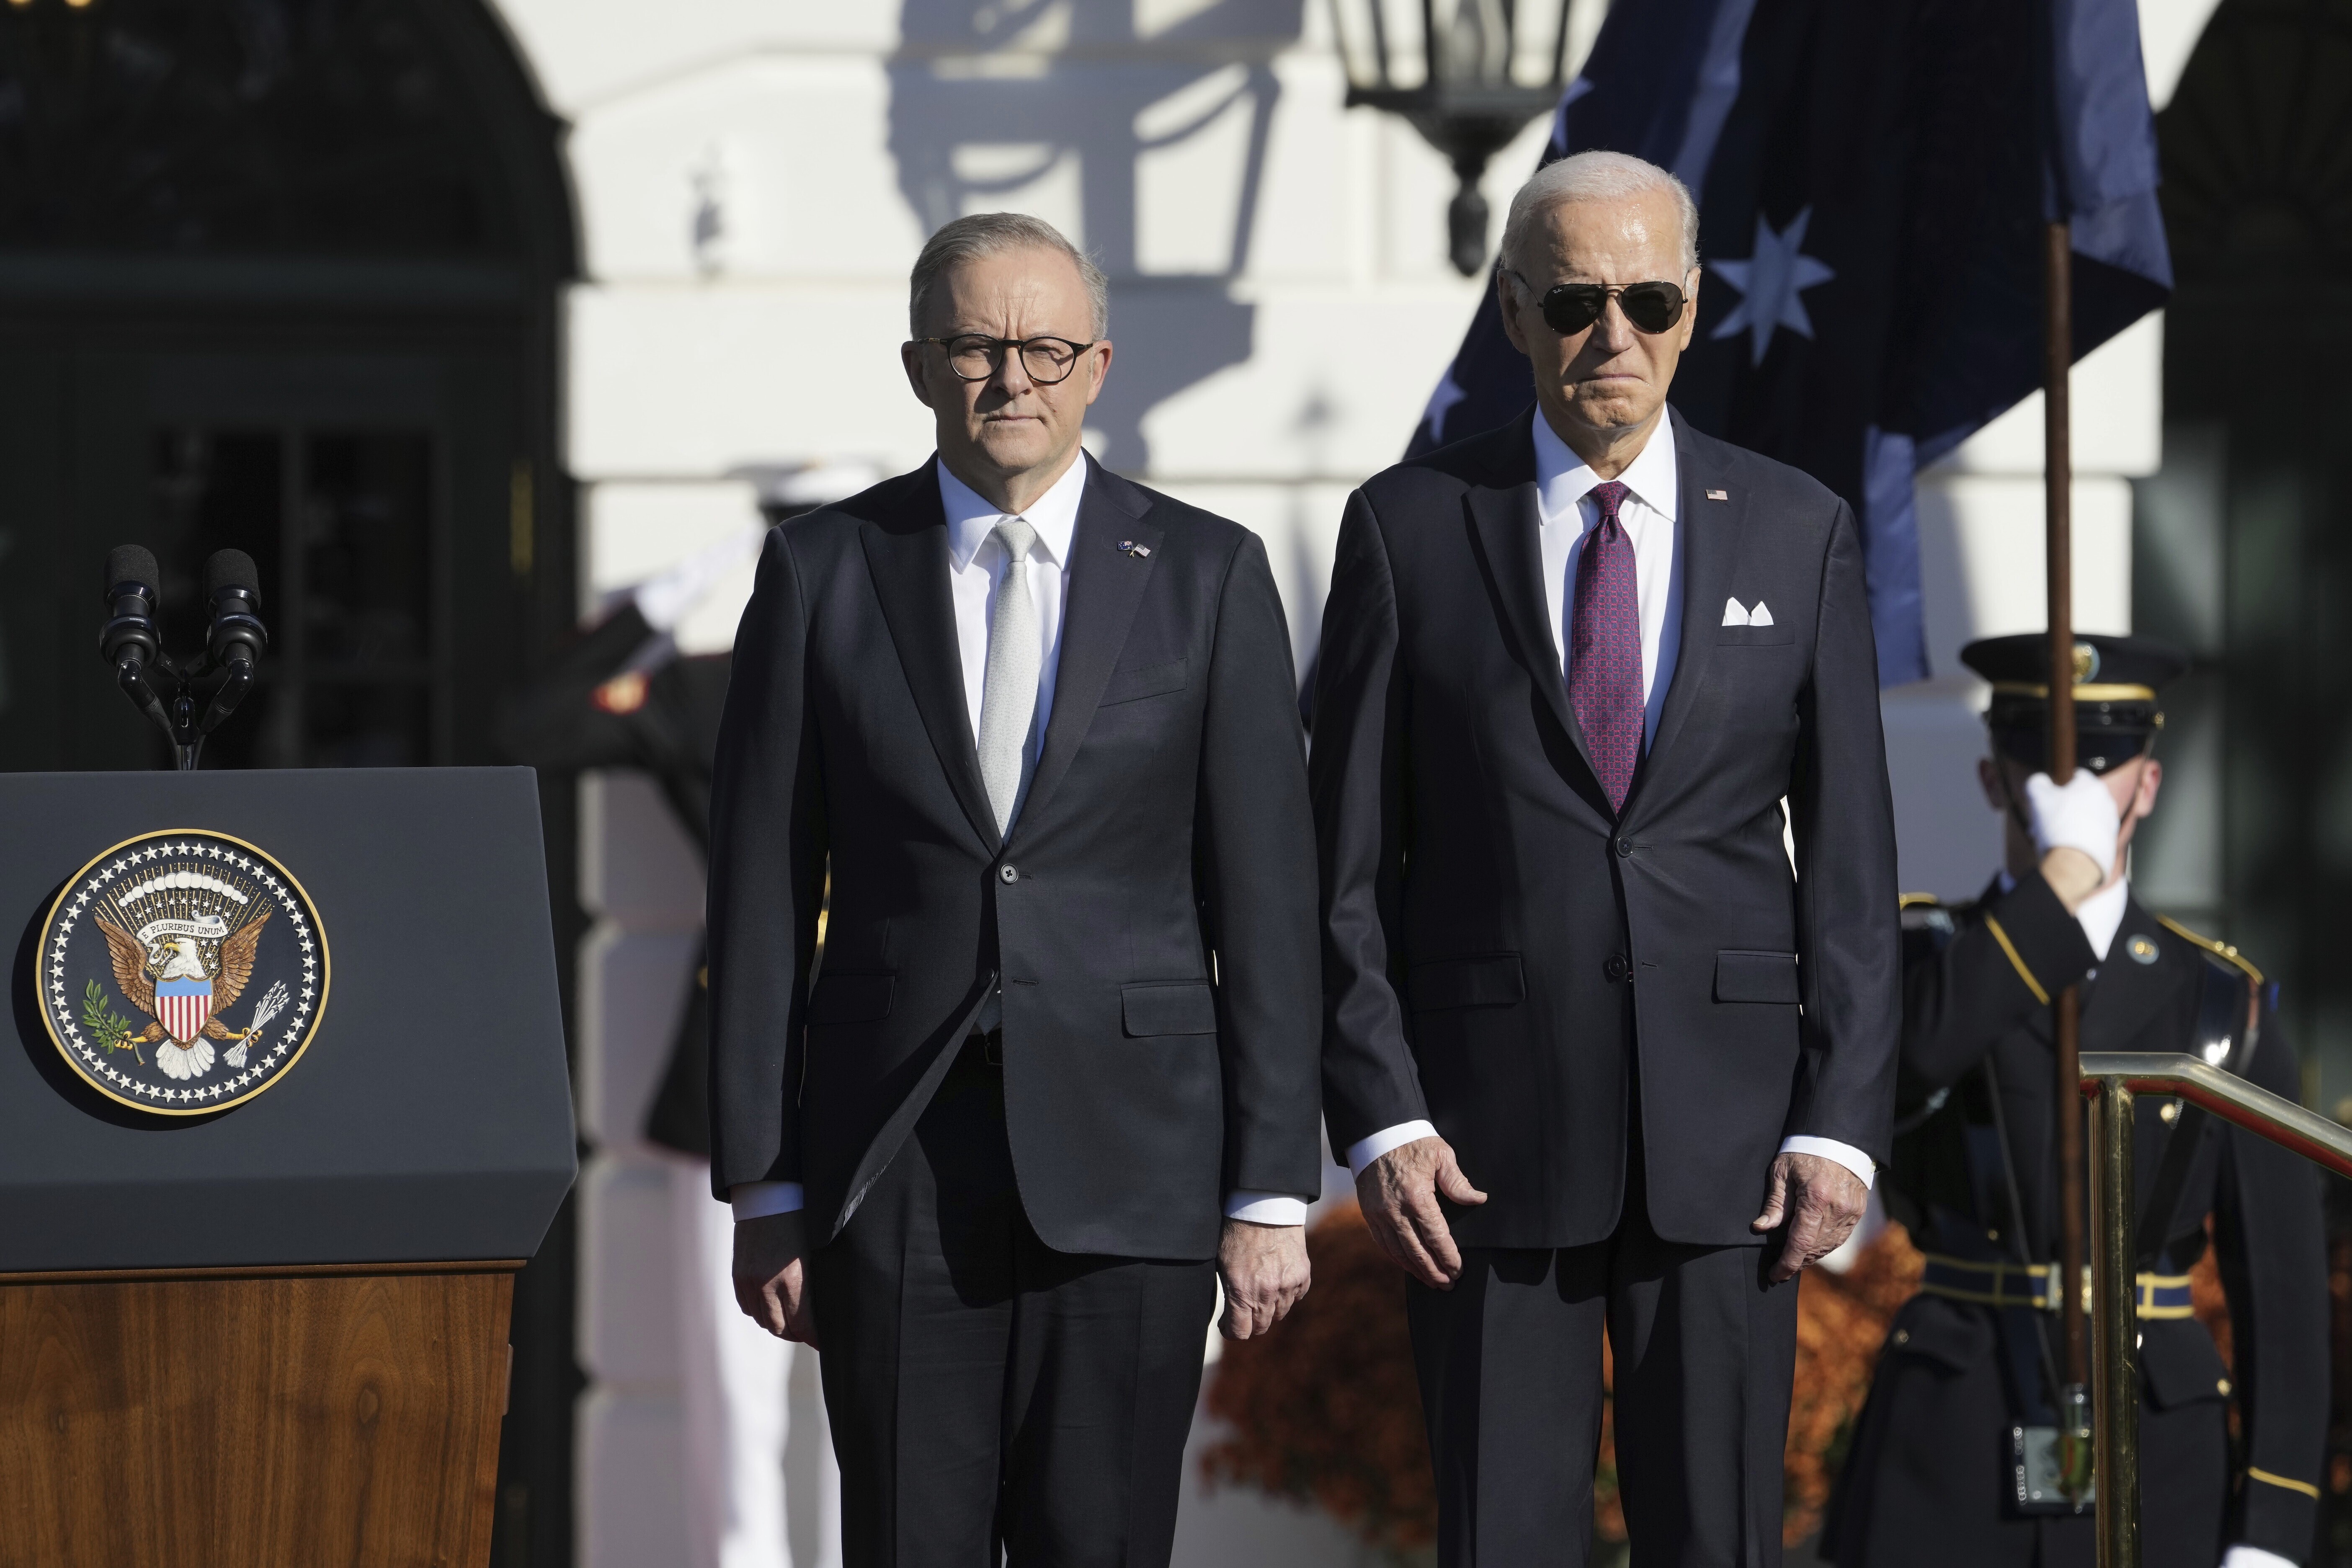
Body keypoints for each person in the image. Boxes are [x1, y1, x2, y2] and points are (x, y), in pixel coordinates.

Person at [1312, 148, 1901, 1566]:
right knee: (1499, 1536)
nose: (1611, 337)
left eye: (1645, 298)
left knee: (1718, 1537)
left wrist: (1836, 1119)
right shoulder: (1406, 528)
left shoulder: (1795, 525)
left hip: (1733, 1152)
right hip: (1480, 1152)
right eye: (1574, 302)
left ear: (1692, 306)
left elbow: (1848, 863)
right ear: (1512, 311)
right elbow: (1333, 867)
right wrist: (1384, 1115)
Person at [710, 211, 1323, 1568]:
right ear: (921, 365)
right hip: (894, 1155)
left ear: (1097, 364)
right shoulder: (819, 572)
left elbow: (1266, 901)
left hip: (1138, 1159)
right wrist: (763, 1179)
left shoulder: (1210, 575)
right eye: (977, 347)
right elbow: (759, 889)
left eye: (1043, 347)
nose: (1012, 379)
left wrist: (1271, 1187)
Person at [1822, 632, 2328, 1568]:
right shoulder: (1925, 963)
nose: (2083, 795)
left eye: (2109, 769)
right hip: (1953, 1435)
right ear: (1991, 779)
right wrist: (2058, 892)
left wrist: (2271, 1533)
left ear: (2150, 785)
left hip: (2157, 1440)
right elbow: (1910, 1061)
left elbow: (2285, 1293)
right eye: (2048, 767)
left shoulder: (2219, 1002)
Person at [499, 531, 842, 1568]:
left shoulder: (960, 671)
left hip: (905, 1064)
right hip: (742, 1064)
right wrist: (651, 608)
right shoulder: (724, 690)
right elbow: (536, 726)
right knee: (732, 1386)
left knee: (887, 1389)